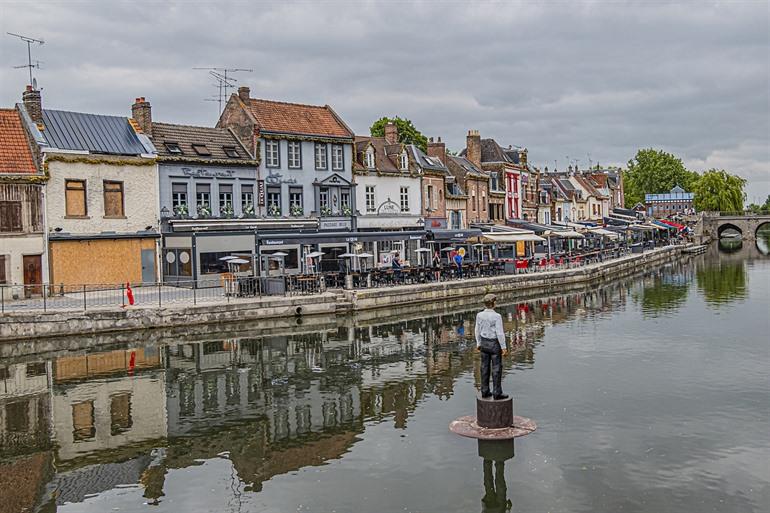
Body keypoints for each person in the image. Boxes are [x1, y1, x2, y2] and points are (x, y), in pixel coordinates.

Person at [474, 293, 509, 400]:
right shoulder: (497, 316)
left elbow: (477, 330)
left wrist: (478, 343)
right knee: (496, 368)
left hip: (484, 343)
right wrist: (503, 347)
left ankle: (484, 390)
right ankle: (497, 392)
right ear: (493, 303)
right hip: (494, 344)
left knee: (484, 367)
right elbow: (499, 333)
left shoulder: (479, 315)